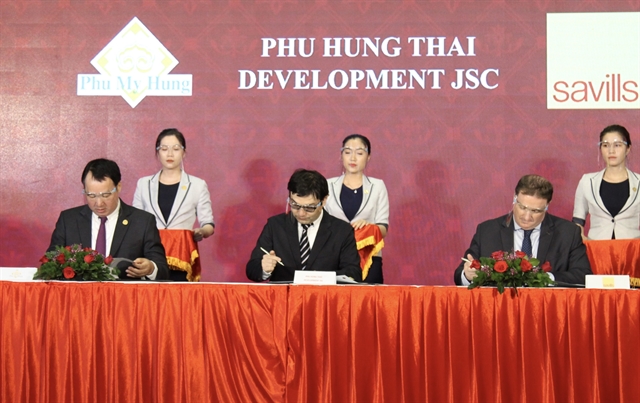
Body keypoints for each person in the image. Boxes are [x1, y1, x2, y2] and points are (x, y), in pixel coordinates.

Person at [454, 174, 591, 286]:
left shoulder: (568, 233)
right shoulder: (488, 231)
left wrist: (544, 278)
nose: (526, 216)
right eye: (522, 207)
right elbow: (460, 274)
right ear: (514, 198)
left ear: (547, 206)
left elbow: (583, 276)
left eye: (535, 211)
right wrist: (467, 275)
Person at [48, 158, 169, 280]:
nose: (99, 203)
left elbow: (162, 270)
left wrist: (150, 269)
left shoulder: (142, 222)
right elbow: (49, 265)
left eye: (105, 195)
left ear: (118, 187)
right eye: (91, 195)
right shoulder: (68, 221)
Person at [246, 169, 362, 283]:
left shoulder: (342, 230)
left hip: (323, 295)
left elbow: (354, 273)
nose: (301, 213)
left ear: (324, 200)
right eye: (295, 205)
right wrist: (264, 269)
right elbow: (252, 270)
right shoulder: (275, 226)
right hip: (284, 294)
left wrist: (318, 278)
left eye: (309, 208)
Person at [133, 128, 215, 281]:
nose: (170, 154)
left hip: (182, 255)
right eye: (164, 149)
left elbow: (208, 224)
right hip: (150, 254)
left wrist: (201, 232)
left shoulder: (197, 185)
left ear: (184, 153)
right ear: (157, 153)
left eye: (176, 149)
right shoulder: (144, 184)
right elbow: (136, 222)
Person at [324, 134, 389, 283]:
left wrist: (368, 227)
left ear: (368, 157)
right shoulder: (327, 185)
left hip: (369, 256)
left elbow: (383, 228)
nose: (353, 158)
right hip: (334, 257)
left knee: (370, 298)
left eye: (359, 153)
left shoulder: (378, 186)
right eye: (348, 152)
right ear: (341, 155)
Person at [573, 124, 640, 240]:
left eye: (617, 145)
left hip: (632, 248)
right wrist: (584, 241)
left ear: (628, 149)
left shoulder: (638, 182)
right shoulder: (587, 181)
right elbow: (578, 220)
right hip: (596, 247)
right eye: (605, 145)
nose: (611, 151)